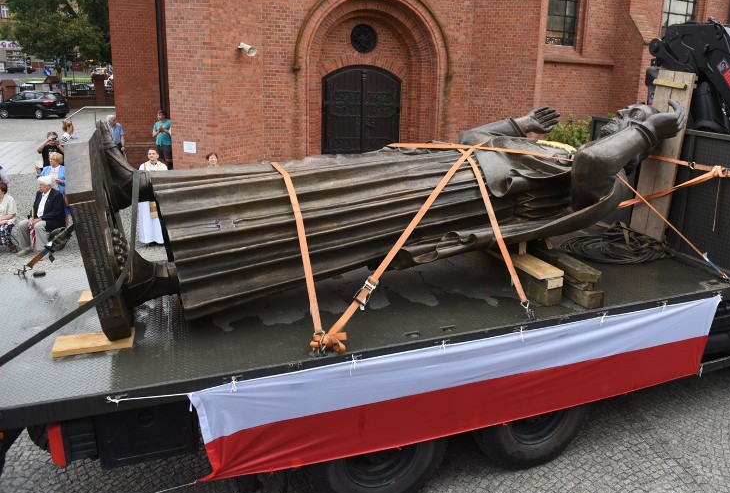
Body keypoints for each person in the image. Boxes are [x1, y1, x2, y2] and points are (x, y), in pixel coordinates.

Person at [91, 100, 687, 321]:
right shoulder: (546, 148)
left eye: (628, 121)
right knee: (303, 177)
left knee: (309, 228)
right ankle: (140, 190)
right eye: (626, 116)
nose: (622, 118)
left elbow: (592, 167)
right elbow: (469, 134)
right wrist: (518, 124)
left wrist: (646, 128)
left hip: (442, 203)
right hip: (421, 168)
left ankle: (155, 281)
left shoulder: (596, 185)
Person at [13, 176, 66, 256]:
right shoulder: (39, 193)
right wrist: (31, 217)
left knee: (38, 226)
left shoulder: (57, 195)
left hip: (53, 220)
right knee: (22, 224)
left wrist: (41, 219)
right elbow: (34, 207)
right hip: (38, 218)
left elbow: (56, 212)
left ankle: (43, 251)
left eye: (41, 185)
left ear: (49, 186)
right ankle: (26, 247)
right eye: (39, 184)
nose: (39, 186)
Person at [137, 147, 168, 245]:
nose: (151, 155)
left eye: (153, 153)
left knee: (159, 217)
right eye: (150, 154)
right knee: (147, 218)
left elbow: (165, 180)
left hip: (158, 195)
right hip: (147, 197)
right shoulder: (143, 167)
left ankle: (161, 239)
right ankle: (149, 239)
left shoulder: (163, 167)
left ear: (158, 155)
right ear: (147, 156)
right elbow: (140, 180)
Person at [0, 181, 18, 250]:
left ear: (3, 191)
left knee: (3, 228)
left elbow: (10, 215)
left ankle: (9, 243)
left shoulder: (10, 199)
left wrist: (1, 219)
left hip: (9, 219)